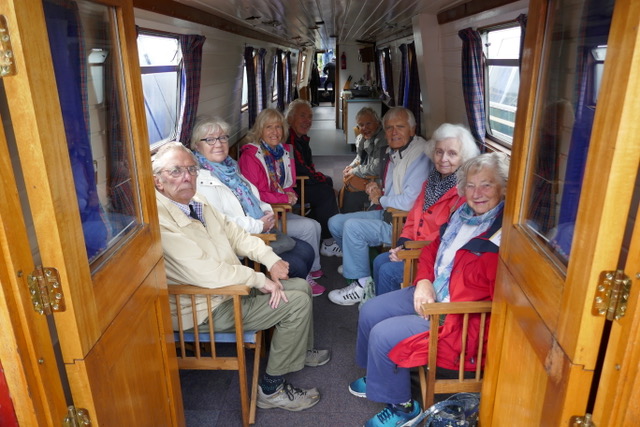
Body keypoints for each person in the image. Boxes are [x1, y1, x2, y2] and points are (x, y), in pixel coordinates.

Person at [153, 142, 331, 412]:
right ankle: (272, 390)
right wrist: (260, 279)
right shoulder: (160, 221)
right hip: (202, 307)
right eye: (176, 171)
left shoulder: (196, 201)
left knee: (299, 286)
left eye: (191, 169)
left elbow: (236, 235)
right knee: (295, 303)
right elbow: (207, 272)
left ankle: (298, 350)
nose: (187, 177)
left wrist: (270, 260)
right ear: (158, 181)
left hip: (228, 289)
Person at [348, 152, 509, 427]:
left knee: (383, 335)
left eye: (486, 185)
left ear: (504, 188)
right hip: (432, 291)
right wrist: (423, 282)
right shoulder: (462, 215)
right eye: (471, 185)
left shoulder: (503, 238)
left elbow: (500, 308)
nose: (477, 193)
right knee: (371, 310)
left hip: (456, 319)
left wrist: (442, 308)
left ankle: (403, 408)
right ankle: (378, 374)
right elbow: (432, 249)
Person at [191, 115, 324, 296]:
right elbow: (223, 223)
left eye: (222, 138)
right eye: (210, 140)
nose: (218, 144)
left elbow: (255, 196)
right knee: (299, 261)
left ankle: (292, 294)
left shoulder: (231, 167)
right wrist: (259, 224)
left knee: (306, 250)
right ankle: (286, 298)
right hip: (243, 243)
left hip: (261, 228)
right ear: (197, 145)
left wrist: (267, 211)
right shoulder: (200, 180)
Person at [327, 107, 432, 306]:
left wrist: (380, 199)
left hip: (401, 223)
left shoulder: (419, 157)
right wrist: (377, 187)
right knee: (335, 222)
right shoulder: (395, 152)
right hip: (387, 213)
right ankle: (355, 262)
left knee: (352, 227)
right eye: (389, 128)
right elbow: (391, 188)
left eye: (400, 127)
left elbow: (408, 202)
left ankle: (362, 286)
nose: (394, 132)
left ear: (412, 129)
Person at [372, 123, 480, 296]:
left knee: (387, 270)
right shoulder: (431, 181)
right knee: (379, 261)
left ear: (464, 157)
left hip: (433, 258)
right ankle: (382, 302)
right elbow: (413, 217)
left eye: (452, 153)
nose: (443, 159)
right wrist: (403, 244)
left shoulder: (463, 192)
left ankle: (387, 308)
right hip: (413, 247)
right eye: (439, 152)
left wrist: (410, 250)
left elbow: (447, 238)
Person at [237, 109, 325, 296]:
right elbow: (255, 194)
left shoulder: (281, 152)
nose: (275, 132)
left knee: (316, 226)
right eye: (269, 127)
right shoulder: (250, 157)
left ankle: (314, 268)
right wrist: (284, 198)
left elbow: (287, 183)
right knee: (310, 227)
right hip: (264, 218)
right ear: (260, 130)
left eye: (278, 127)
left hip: (279, 211)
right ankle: (307, 276)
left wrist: (290, 193)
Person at [285, 99, 341, 255]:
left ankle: (316, 222)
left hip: (300, 181)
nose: (307, 121)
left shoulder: (300, 138)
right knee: (326, 192)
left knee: (328, 182)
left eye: (310, 117)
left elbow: (307, 166)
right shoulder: (290, 140)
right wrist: (322, 180)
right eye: (302, 116)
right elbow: (301, 170)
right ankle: (328, 241)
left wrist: (323, 179)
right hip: (293, 187)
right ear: (291, 118)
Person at [341, 107, 388, 213]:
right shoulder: (361, 138)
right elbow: (359, 158)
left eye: (368, 124)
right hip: (366, 175)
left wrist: (354, 171)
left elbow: (377, 168)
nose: (365, 128)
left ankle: (351, 218)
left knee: (350, 196)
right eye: (361, 125)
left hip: (377, 181)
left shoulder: (383, 140)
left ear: (377, 123)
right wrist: (351, 166)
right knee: (345, 189)